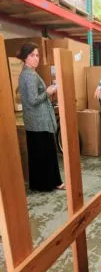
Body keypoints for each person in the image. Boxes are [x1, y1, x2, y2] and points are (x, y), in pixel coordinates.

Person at [17, 42, 65, 191]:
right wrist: (48, 92)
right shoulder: (29, 75)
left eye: (37, 55)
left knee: (40, 153)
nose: (36, 58)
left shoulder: (28, 72)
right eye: (32, 55)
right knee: (45, 153)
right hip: (38, 121)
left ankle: (46, 184)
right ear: (25, 58)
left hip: (36, 121)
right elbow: (33, 99)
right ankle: (50, 184)